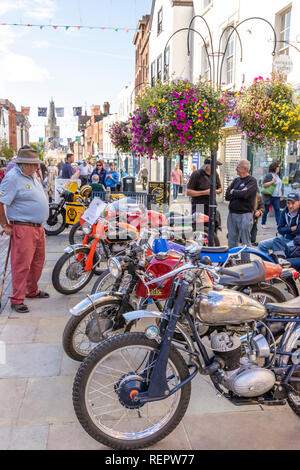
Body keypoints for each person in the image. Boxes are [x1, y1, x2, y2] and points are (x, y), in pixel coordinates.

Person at [0, 147, 49, 313]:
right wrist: (5, 225)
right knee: (22, 265)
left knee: (37, 262)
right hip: (23, 227)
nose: (37, 167)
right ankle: (17, 299)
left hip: (37, 227)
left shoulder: (31, 175)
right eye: (34, 164)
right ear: (24, 164)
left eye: (37, 164)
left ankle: (31, 290)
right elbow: (1, 201)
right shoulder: (12, 178)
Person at [225, 160, 258, 261]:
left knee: (245, 240)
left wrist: (234, 191)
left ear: (244, 169)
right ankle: (232, 260)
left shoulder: (252, 181)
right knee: (232, 240)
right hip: (232, 214)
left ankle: (245, 262)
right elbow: (227, 196)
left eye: (238, 167)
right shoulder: (236, 181)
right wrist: (238, 193)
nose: (236, 169)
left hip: (245, 215)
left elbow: (245, 194)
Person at [258, 192, 300, 259]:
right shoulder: (284, 211)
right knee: (262, 245)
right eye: (288, 203)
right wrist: (292, 228)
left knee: (280, 250)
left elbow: (298, 230)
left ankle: (281, 265)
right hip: (284, 238)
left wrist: (286, 228)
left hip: (296, 241)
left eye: (293, 203)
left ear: (299, 202)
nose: (290, 206)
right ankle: (269, 264)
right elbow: (280, 230)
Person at [261, 161, 283, 228]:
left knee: (277, 210)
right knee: (266, 210)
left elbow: (279, 186)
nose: (279, 169)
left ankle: (279, 224)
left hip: (277, 196)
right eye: (278, 167)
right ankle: (263, 223)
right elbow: (264, 185)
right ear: (275, 168)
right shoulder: (269, 175)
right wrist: (272, 181)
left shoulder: (277, 175)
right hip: (270, 196)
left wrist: (281, 194)